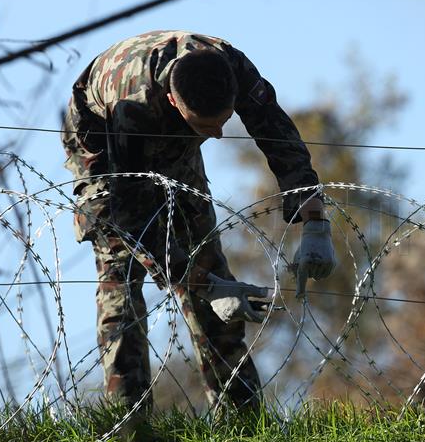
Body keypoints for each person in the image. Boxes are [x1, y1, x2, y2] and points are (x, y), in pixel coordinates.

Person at [60, 30, 336, 411]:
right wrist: (205, 285)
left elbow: (275, 130)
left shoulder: (231, 67)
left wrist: (315, 218)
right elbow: (133, 220)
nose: (219, 136)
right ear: (174, 101)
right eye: (208, 128)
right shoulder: (133, 106)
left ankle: (242, 422)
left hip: (173, 132)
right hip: (104, 145)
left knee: (208, 261)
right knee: (122, 278)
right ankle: (129, 427)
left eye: (222, 122)